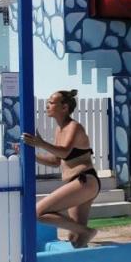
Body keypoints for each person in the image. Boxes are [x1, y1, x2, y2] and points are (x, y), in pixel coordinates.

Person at [21, 90, 99, 248]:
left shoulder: (74, 127)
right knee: (75, 238)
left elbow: (65, 152)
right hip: (77, 184)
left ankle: (87, 232)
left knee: (36, 212)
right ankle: (84, 236)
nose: (47, 105)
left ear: (64, 107)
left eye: (51, 102)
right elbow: (56, 161)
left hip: (84, 181)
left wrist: (40, 143)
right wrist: (31, 155)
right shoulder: (59, 129)